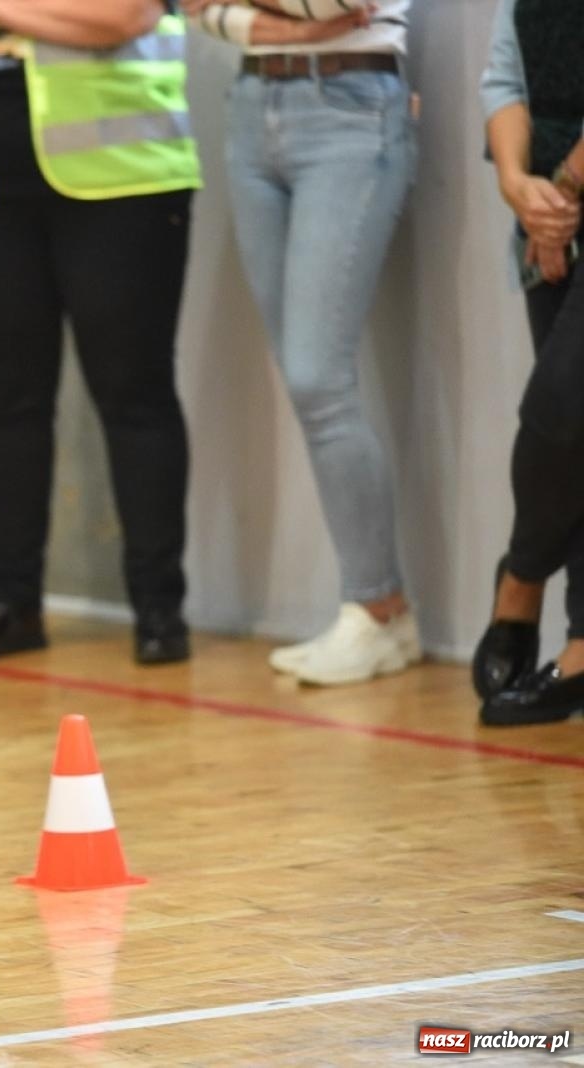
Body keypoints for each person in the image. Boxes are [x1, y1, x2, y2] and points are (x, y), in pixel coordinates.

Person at [0, 0, 200, 666]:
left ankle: (159, 607)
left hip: (125, 171)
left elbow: (124, 16)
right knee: (6, 403)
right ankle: (12, 603)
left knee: (135, 394)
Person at [185, 0, 422, 686]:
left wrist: (262, 13)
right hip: (254, 101)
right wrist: (287, 26)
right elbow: (193, 8)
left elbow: (344, 3)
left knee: (320, 376)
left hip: (353, 102)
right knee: (303, 375)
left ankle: (377, 610)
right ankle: (382, 611)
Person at [473, 0, 584, 726]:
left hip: (563, 201)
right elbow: (503, 76)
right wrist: (520, 185)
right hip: (549, 207)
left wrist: (564, 193)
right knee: (572, 434)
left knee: (562, 406)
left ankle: (521, 577)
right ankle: (579, 644)